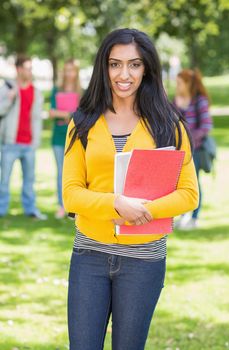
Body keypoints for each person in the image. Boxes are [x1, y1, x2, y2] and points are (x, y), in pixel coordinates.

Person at [62, 28, 199, 350]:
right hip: (89, 255)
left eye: (134, 65)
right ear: (103, 68)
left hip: (144, 260)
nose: (124, 74)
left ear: (147, 69)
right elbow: (71, 193)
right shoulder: (81, 122)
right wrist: (117, 203)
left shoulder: (169, 123)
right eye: (115, 64)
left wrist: (145, 210)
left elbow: (189, 193)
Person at [0, 55, 46, 220]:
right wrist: (9, 99)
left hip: (29, 144)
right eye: (27, 68)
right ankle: (1, 210)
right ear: (18, 69)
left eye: (31, 68)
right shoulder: (7, 88)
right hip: (10, 142)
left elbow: (36, 119)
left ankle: (30, 210)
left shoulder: (36, 92)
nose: (30, 71)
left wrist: (36, 141)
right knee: (4, 181)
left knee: (29, 180)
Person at [174, 68, 213, 230]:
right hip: (178, 151)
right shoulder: (176, 101)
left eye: (179, 83)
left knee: (194, 183)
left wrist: (187, 138)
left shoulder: (199, 101)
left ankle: (194, 218)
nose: (176, 86)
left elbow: (206, 127)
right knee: (179, 185)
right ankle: (184, 216)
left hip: (195, 150)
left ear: (188, 83)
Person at [49, 59, 81, 219]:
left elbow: (83, 114)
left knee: (76, 174)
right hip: (58, 138)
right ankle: (62, 206)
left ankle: (74, 207)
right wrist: (70, 114)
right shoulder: (56, 89)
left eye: (72, 70)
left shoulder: (82, 92)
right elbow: (52, 113)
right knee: (61, 173)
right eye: (67, 70)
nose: (69, 74)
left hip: (76, 137)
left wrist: (65, 114)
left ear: (76, 72)